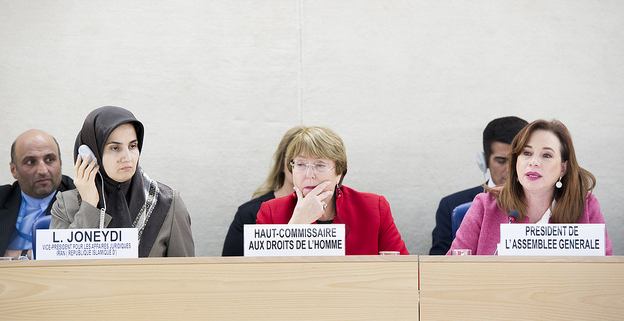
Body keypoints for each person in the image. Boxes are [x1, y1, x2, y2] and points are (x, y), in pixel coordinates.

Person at [448, 119, 613, 255]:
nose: (533, 162)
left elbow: (604, 275)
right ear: (516, 161)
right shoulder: (485, 205)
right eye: (527, 153)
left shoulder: (585, 206)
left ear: (563, 167)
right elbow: (453, 271)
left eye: (546, 155)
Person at [50, 106, 194, 257]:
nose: (127, 157)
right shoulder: (66, 205)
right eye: (115, 148)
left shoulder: (167, 203)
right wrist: (89, 206)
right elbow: (62, 269)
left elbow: (186, 273)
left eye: (133, 146)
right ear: (92, 153)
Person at [256, 126, 409, 255]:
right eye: (301, 164)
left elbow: (402, 269)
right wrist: (297, 225)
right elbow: (261, 277)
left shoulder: (374, 208)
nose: (309, 175)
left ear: (339, 173)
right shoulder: (270, 212)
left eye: (320, 165)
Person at [430, 116, 528, 255]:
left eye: (516, 161)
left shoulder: (543, 204)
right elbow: (438, 266)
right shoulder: (452, 205)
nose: (510, 169)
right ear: (484, 162)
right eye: (501, 161)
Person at [0, 130, 75, 260]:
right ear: (13, 169)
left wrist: (20, 255)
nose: (43, 171)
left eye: (50, 159)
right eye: (30, 162)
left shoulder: (82, 201)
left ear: (60, 163)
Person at [222, 126, 305, 256]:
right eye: (300, 162)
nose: (308, 171)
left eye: (318, 164)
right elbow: (230, 269)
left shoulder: (335, 210)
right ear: (282, 164)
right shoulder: (250, 213)